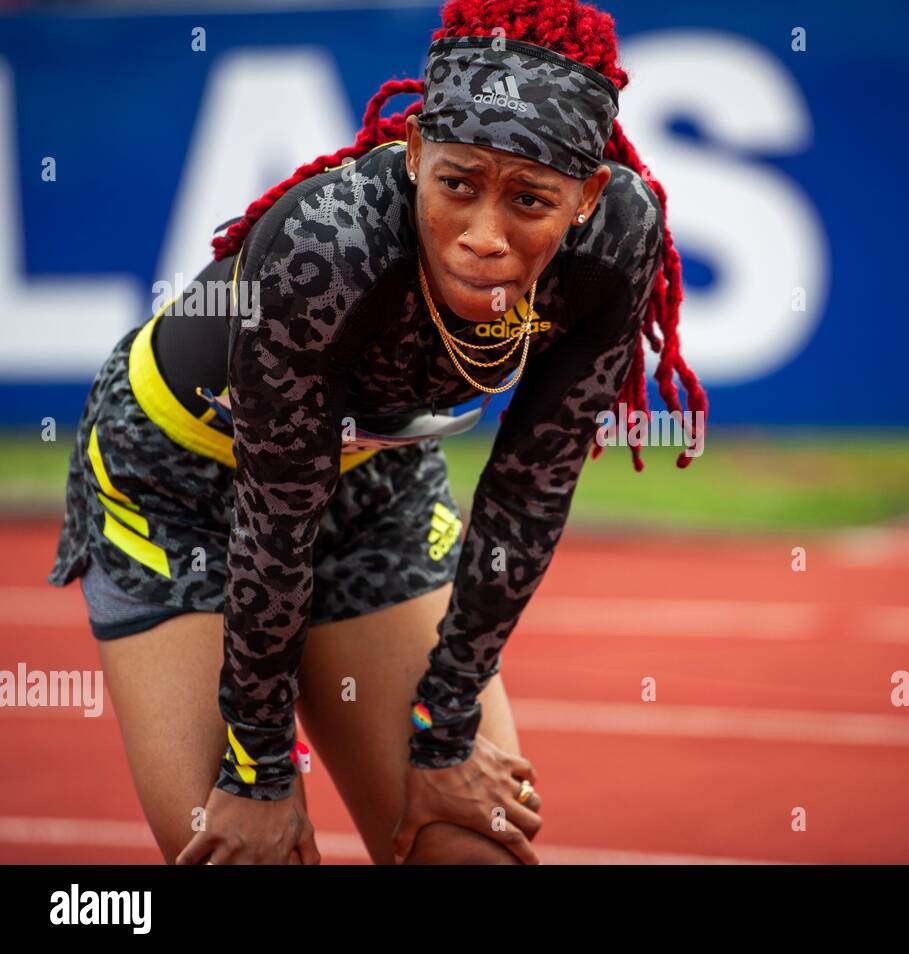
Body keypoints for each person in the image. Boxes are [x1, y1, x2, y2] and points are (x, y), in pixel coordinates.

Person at [45, 0, 707, 865]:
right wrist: (257, 775)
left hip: (373, 476)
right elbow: (274, 524)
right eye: (458, 183)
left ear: (587, 197)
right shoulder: (327, 245)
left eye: (531, 201)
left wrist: (445, 729)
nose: (483, 236)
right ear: (417, 151)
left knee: (469, 845)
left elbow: (527, 493)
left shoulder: (622, 241)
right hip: (180, 487)